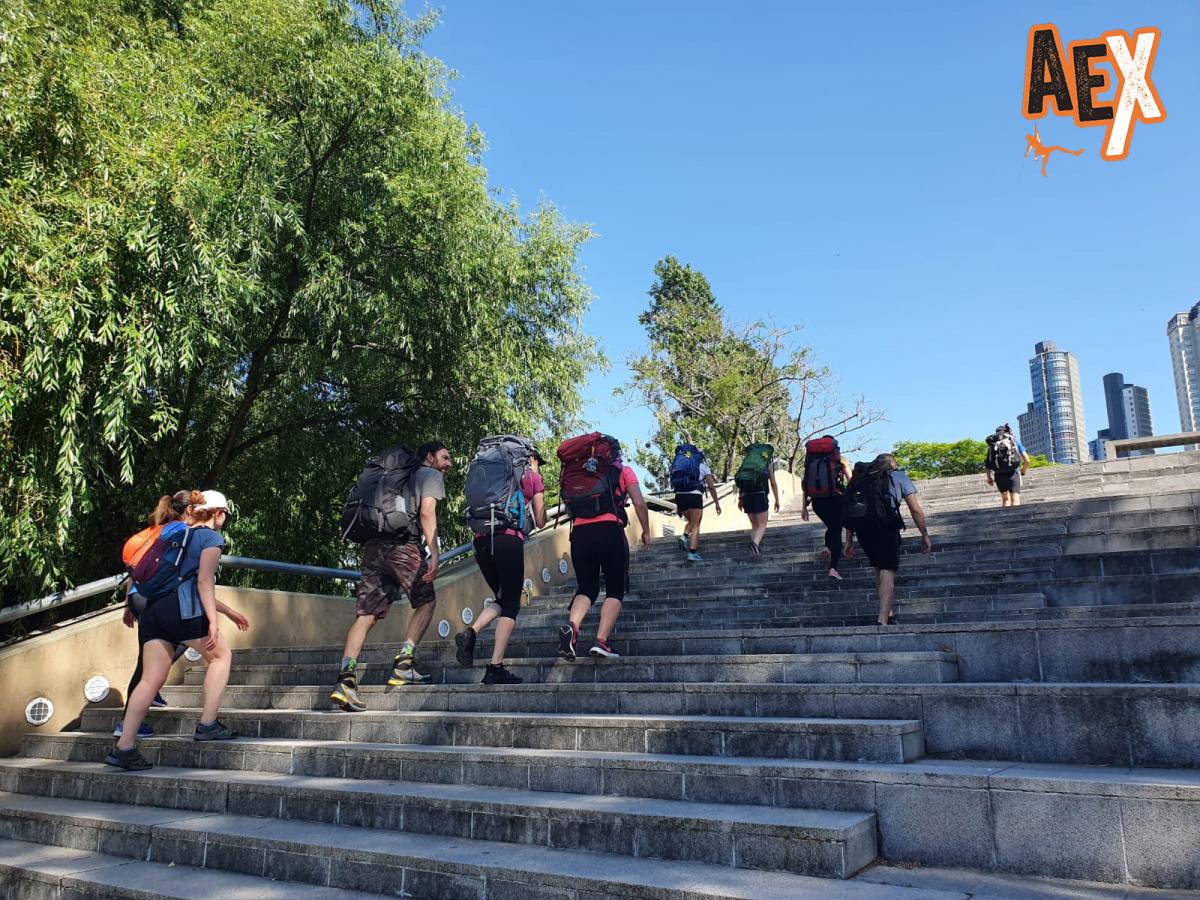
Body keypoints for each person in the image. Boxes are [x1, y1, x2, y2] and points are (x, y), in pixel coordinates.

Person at [106, 490, 247, 771]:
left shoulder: (171, 534)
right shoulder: (210, 538)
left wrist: (128, 605)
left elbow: (143, 571)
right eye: (226, 515)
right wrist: (213, 621)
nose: (225, 520)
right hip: (180, 609)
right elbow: (204, 581)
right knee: (221, 656)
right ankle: (208, 724)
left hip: (151, 610)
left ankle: (124, 748)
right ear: (218, 513)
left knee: (149, 680)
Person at [331, 441, 451, 712]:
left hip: (373, 546)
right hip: (403, 546)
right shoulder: (429, 475)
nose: (449, 464)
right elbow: (427, 512)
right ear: (429, 457)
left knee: (366, 615)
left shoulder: (394, 477)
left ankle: (345, 681)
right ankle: (404, 665)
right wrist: (434, 552)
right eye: (445, 457)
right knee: (426, 600)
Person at [455, 448, 547, 685]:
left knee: (502, 597)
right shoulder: (531, 477)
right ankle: (495, 666)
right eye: (538, 461)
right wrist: (537, 488)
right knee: (512, 605)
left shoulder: (490, 475)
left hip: (480, 541)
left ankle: (470, 633)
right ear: (531, 458)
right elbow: (541, 520)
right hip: (507, 539)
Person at [558, 447, 651, 660]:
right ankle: (601, 641)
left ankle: (572, 627)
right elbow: (639, 503)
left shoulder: (577, 471)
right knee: (615, 589)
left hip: (579, 534)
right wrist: (646, 531)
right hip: (610, 531)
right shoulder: (622, 470)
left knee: (587, 588)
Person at [844, 454, 932, 625]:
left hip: (863, 530)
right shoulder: (899, 477)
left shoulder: (863, 479)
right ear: (892, 464)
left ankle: (889, 613)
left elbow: (852, 509)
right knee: (887, 571)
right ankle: (882, 620)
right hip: (886, 527)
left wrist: (849, 540)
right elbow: (915, 509)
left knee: (878, 569)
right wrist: (925, 535)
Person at [800, 436, 856, 580]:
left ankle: (827, 546)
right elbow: (851, 480)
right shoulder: (840, 459)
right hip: (835, 498)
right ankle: (833, 568)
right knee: (836, 530)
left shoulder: (811, 460)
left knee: (832, 526)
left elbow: (805, 484)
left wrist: (804, 508)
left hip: (817, 502)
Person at [671, 444, 721, 562]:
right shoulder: (703, 466)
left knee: (692, 521)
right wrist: (716, 503)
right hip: (694, 496)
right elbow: (711, 487)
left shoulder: (678, 466)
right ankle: (692, 553)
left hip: (680, 497)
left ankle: (684, 537)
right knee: (696, 524)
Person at [736, 444, 781, 557]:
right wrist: (777, 500)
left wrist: (740, 498)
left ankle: (754, 551)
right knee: (762, 525)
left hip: (746, 496)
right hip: (760, 495)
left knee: (754, 525)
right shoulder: (767, 464)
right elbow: (773, 483)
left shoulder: (747, 463)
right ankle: (755, 544)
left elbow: (742, 482)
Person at [985, 424, 1032, 507]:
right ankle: (1016, 515)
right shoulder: (1014, 441)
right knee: (1015, 498)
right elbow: (1027, 460)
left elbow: (987, 463)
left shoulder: (993, 445)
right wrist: (1023, 471)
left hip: (999, 474)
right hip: (1013, 472)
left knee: (1005, 499)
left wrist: (989, 477)